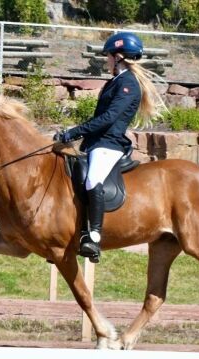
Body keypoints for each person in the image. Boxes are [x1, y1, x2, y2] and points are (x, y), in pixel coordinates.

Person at [55, 31, 166, 262]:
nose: (106, 60)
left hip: (109, 144)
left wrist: (73, 132)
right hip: (95, 142)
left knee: (93, 179)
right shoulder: (115, 81)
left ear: (118, 57)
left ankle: (93, 237)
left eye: (108, 56)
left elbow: (109, 117)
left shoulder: (128, 84)